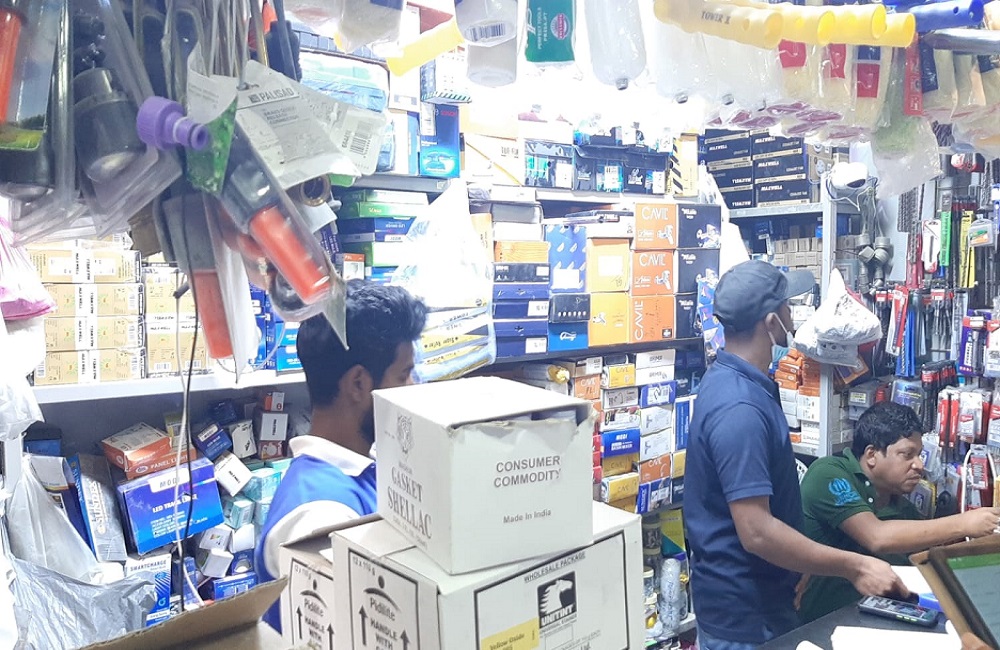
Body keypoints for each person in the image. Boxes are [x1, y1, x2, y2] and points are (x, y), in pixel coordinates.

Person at [686, 260, 909, 650]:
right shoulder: (739, 407)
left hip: (762, 603)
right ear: (772, 322)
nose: (794, 313)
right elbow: (757, 532)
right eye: (788, 305)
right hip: (745, 619)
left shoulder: (739, 381)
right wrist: (854, 566)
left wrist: (796, 564)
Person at [256, 280, 427, 631]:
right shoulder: (322, 516)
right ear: (359, 384)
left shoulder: (360, 472)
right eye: (404, 374)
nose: (414, 389)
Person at [797, 401, 1000, 622]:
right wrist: (964, 523)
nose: (919, 465)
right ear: (872, 454)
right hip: (820, 626)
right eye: (907, 454)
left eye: (919, 454)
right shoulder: (829, 473)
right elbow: (877, 537)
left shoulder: (904, 510)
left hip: (878, 623)